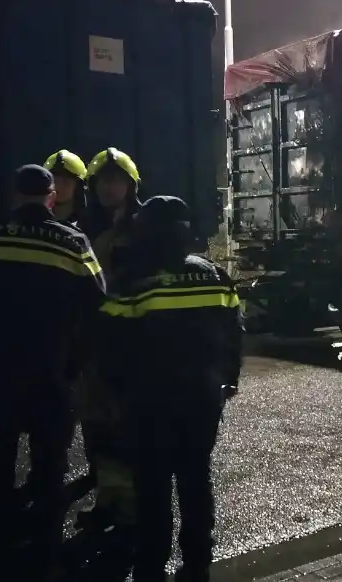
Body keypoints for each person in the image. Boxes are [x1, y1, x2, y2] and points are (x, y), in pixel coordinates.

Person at [0, 165, 105, 581]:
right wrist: (77, 361)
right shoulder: (73, 241)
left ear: (15, 195)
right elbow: (97, 307)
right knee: (50, 465)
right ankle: (44, 554)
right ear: (51, 196)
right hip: (50, 373)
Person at [97, 196, 242, 582]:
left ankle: (152, 560)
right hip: (203, 396)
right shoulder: (212, 273)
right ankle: (197, 559)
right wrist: (229, 380)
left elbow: (110, 343)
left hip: (149, 400)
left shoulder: (131, 279)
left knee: (152, 482)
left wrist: (113, 393)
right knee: (195, 475)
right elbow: (234, 334)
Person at [76, 146, 142, 531]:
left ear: (130, 186)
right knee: (98, 425)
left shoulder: (146, 227)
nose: (108, 188)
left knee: (129, 426)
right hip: (95, 342)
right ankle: (109, 499)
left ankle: (132, 509)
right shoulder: (84, 227)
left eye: (116, 181)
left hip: (132, 344)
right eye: (102, 181)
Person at [43, 149, 88, 226]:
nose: (59, 186)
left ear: (78, 187)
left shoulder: (90, 226)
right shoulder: (32, 222)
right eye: (54, 180)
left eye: (66, 181)